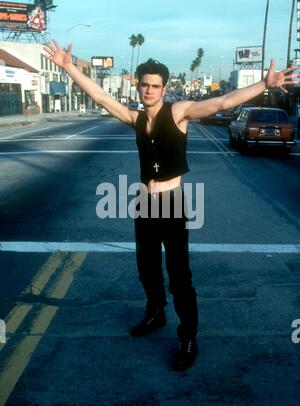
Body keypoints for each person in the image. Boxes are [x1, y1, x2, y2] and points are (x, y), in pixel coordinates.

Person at [43, 39, 299, 371]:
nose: (149, 91)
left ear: (163, 88)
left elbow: (222, 100)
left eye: (155, 86)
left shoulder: (178, 113)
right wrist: (68, 67)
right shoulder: (135, 119)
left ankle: (188, 336)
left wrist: (265, 85)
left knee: (180, 276)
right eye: (144, 85)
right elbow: (100, 95)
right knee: (147, 268)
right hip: (144, 204)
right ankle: (156, 311)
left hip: (172, 203)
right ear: (138, 87)